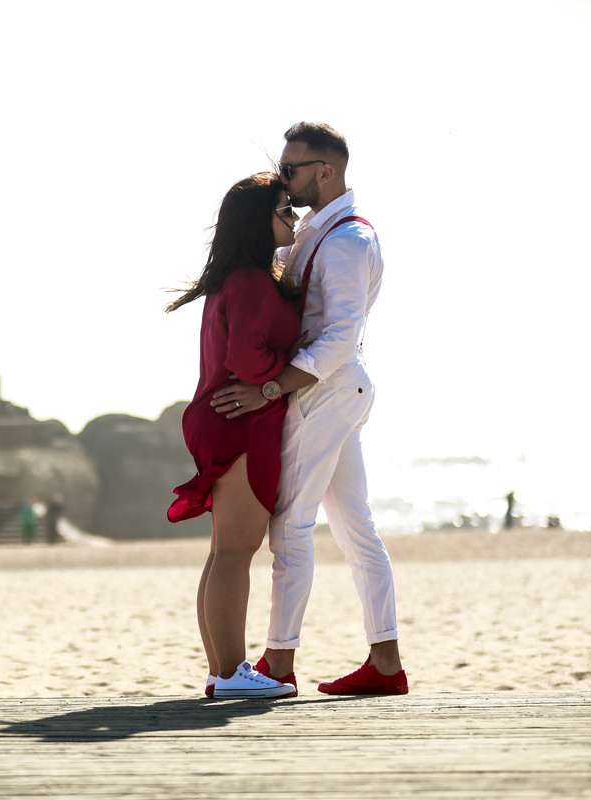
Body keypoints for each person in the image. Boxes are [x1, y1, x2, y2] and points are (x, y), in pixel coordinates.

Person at [211, 122, 408, 695]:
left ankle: (279, 662)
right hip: (337, 392)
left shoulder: (346, 241)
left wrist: (270, 389)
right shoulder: (317, 231)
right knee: (355, 528)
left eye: (291, 168)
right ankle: (386, 662)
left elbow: (339, 339)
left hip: (327, 391)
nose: (284, 177)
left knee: (290, 526)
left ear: (326, 171)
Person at [166, 172, 302, 700]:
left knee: (224, 550)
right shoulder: (250, 280)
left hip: (218, 417)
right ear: (257, 221)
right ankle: (230, 674)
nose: (294, 217)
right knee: (236, 551)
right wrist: (282, 374)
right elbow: (247, 359)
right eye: (284, 209)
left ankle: (220, 671)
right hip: (240, 420)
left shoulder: (233, 279)